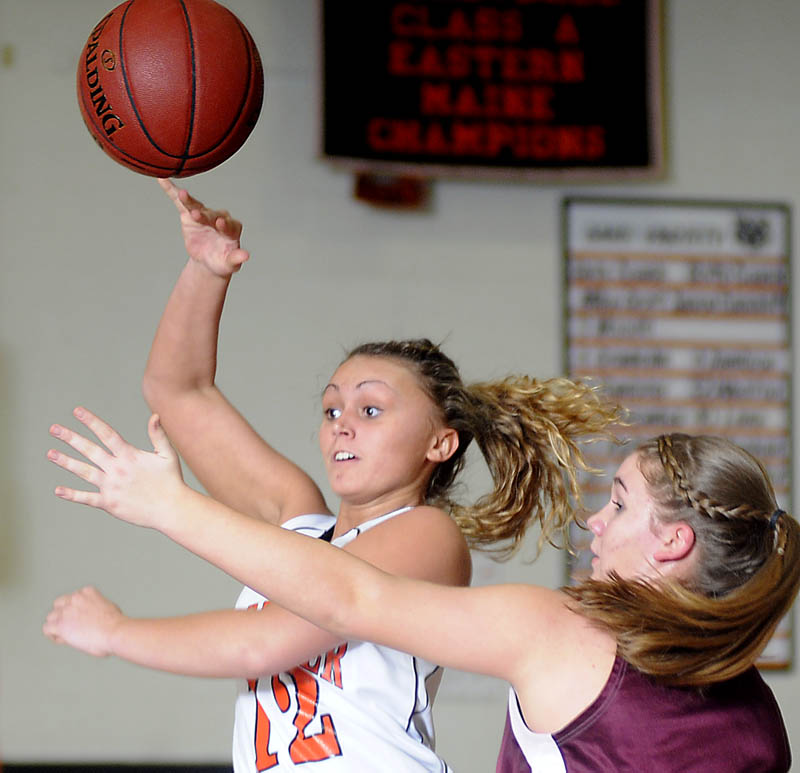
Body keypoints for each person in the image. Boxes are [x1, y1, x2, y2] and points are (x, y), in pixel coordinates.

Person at [43, 180, 623, 772]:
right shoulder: (297, 520)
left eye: (370, 410)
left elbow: (259, 643)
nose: (342, 425)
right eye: (331, 408)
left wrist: (119, 629)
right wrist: (205, 272)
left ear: (440, 443)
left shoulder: (425, 535)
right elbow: (177, 391)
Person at [46, 421, 797, 772]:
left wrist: (168, 506)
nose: (596, 520)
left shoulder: (563, 634)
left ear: (672, 543)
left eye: (622, 504)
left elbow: (345, 594)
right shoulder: (758, 719)